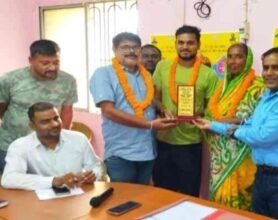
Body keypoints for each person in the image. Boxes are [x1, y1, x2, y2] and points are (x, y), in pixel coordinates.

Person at [193, 47, 278, 220]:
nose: (269, 73)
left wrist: (230, 129)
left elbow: (261, 136)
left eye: (276, 68)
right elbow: (250, 123)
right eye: (266, 68)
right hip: (263, 175)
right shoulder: (267, 96)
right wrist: (210, 124)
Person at [89, 32, 175, 185]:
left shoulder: (145, 75)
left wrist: (162, 109)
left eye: (135, 47)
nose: (131, 51)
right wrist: (149, 124)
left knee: (142, 200)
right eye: (125, 47)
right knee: (123, 202)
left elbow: (148, 98)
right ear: (114, 50)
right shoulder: (103, 74)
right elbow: (108, 111)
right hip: (122, 153)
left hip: (148, 151)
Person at [152, 25, 218, 196]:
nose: (185, 47)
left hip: (191, 143)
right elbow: (155, 98)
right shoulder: (162, 67)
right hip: (163, 139)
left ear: (198, 45)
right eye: (181, 42)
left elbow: (212, 108)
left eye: (190, 43)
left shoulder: (208, 74)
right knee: (162, 193)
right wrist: (163, 109)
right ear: (175, 44)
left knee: (189, 194)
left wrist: (198, 115)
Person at [0, 39, 78, 174]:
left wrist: (60, 142)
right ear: (31, 60)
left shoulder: (68, 81)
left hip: (48, 148)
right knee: (12, 189)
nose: (52, 67)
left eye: (56, 62)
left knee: (47, 188)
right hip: (10, 145)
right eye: (45, 63)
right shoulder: (10, 80)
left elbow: (66, 113)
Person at [204, 43, 265, 210]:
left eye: (239, 56)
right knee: (219, 199)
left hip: (243, 153)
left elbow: (257, 120)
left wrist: (221, 123)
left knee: (243, 197)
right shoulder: (221, 86)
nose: (233, 61)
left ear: (248, 59)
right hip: (219, 156)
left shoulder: (259, 86)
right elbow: (211, 114)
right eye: (230, 56)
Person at [1, 102, 102, 191]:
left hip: (78, 195)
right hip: (40, 203)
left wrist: (92, 175)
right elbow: (9, 179)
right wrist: (54, 181)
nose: (54, 124)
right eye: (45, 121)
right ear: (32, 125)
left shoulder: (79, 139)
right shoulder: (20, 146)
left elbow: (96, 166)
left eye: (56, 118)